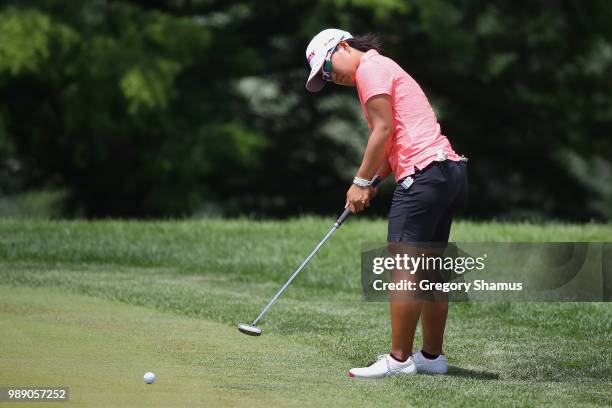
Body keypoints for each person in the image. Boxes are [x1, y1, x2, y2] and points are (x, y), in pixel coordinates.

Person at [305, 29, 468, 378]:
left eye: (328, 67)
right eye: (325, 77)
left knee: (406, 270)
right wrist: (375, 180)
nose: (332, 77)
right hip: (447, 171)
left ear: (343, 46)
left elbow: (382, 130)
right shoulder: (384, 68)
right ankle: (432, 357)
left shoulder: (370, 69)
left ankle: (398, 360)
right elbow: (396, 135)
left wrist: (359, 182)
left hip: (423, 175)